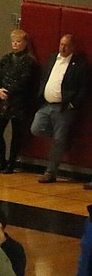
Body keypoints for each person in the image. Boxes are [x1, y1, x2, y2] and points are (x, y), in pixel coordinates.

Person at [31, 33, 89, 184]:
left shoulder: (80, 64)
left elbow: (84, 88)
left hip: (64, 108)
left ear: (73, 47)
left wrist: (73, 104)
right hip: (47, 105)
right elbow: (45, 78)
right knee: (36, 128)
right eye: (61, 44)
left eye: (66, 45)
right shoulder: (52, 59)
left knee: (58, 141)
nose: (62, 48)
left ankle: (50, 172)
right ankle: (63, 141)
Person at [0, 29, 39, 174]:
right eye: (13, 42)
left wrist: (9, 91)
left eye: (18, 42)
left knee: (17, 135)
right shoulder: (6, 58)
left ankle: (11, 163)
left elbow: (25, 81)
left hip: (19, 102)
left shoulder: (29, 61)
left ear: (25, 43)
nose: (15, 44)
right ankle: (1, 161)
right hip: (2, 100)